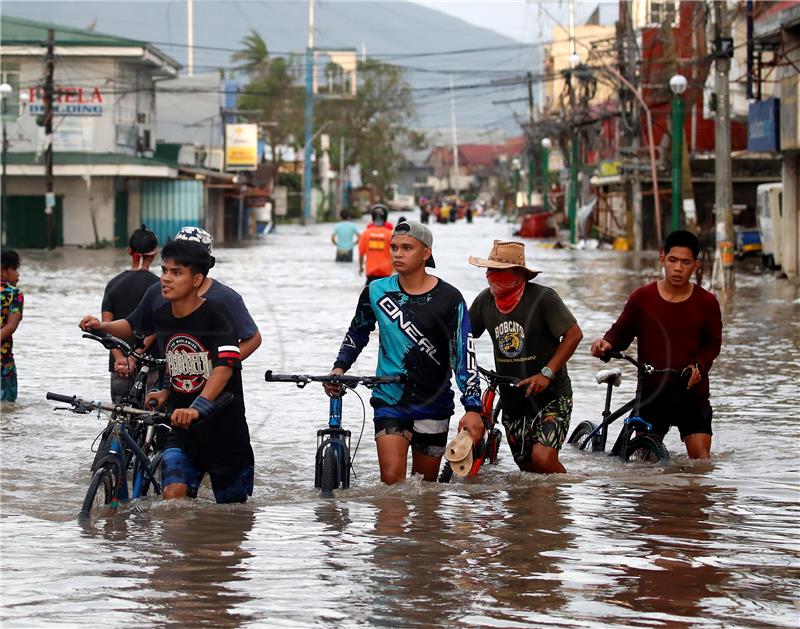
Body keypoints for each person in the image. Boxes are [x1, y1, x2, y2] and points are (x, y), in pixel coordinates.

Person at [325, 220, 483, 484]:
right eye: (394, 247)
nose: (398, 253)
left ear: (426, 253)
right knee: (391, 482)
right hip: (390, 398)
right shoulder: (376, 291)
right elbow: (358, 331)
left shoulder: (450, 298)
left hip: (434, 402)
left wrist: (473, 406)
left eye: (407, 248)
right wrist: (340, 367)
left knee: (425, 490)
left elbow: (463, 355)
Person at [590, 230, 722, 459]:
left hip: (691, 393)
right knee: (644, 465)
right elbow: (620, 332)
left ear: (696, 265)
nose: (678, 268)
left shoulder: (707, 303)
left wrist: (699, 366)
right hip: (652, 393)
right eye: (673, 260)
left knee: (701, 463)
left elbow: (712, 345)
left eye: (685, 262)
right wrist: (606, 344)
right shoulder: (642, 298)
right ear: (662, 258)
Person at [145, 239, 254, 503]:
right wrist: (166, 392)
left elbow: (224, 368)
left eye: (176, 272)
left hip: (224, 431)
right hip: (182, 431)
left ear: (196, 280)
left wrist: (196, 408)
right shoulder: (161, 316)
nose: (166, 279)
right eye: (164, 271)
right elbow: (175, 361)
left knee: (231, 519)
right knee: (173, 498)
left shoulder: (218, 313)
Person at [468, 240, 583, 473]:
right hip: (513, 399)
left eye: (499, 271)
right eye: (489, 270)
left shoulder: (544, 299)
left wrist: (547, 373)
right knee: (528, 470)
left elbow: (574, 335)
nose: (491, 276)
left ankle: (570, 493)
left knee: (543, 459)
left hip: (551, 395)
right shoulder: (484, 301)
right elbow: (463, 337)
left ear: (519, 274)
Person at [79, 226, 262, 361]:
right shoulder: (158, 293)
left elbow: (252, 338)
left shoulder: (226, 299)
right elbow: (132, 325)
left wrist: (220, 365)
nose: (167, 278)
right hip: (170, 386)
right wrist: (101, 326)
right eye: (166, 270)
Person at [101, 225, 160, 399]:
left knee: (120, 416)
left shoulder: (113, 284)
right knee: (152, 418)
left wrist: (120, 358)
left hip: (119, 366)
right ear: (155, 253)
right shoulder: (159, 286)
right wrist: (134, 358)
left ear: (129, 251)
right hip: (151, 365)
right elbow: (158, 327)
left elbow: (106, 326)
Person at [1, 250, 24, 403]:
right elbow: (11, 326)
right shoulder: (14, 294)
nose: (18, 274)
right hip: (4, 363)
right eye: (14, 269)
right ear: (3, 270)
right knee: (6, 412)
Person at [358, 204, 394, 284]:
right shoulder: (390, 234)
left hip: (371, 274)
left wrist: (361, 267)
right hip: (386, 274)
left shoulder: (366, 233)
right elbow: (396, 253)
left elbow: (361, 253)